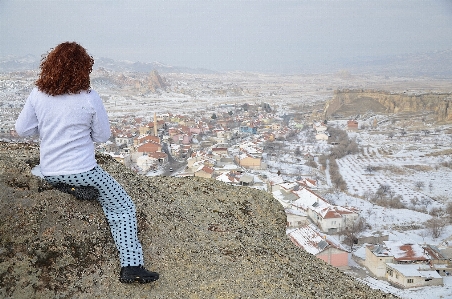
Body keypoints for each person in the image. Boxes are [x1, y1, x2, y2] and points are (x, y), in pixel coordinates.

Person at [15, 42, 159, 284]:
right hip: (83, 172)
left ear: (49, 65)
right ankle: (131, 266)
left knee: (39, 171)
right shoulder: (89, 97)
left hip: (50, 171)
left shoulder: (38, 94)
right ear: (84, 69)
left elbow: (22, 130)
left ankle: (64, 189)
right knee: (122, 207)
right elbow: (102, 136)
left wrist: (51, 129)